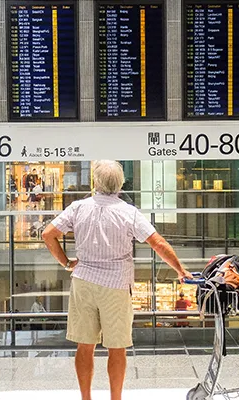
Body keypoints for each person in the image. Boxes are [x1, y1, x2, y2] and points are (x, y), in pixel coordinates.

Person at [42, 160, 193, 400]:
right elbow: (158, 243)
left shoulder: (78, 207)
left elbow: (48, 234)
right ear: (121, 184)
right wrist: (180, 269)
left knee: (84, 345)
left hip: (83, 281)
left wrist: (67, 262)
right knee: (117, 347)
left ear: (95, 183)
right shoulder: (128, 212)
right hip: (116, 285)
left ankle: (86, 398)